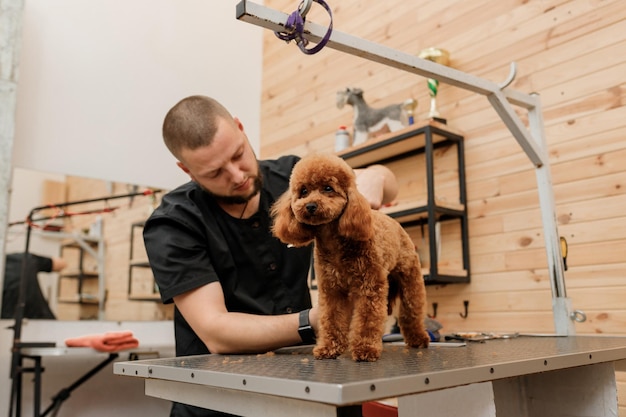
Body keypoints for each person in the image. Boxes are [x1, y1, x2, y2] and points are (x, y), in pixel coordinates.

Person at [143, 95, 399, 417]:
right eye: (214, 172)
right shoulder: (173, 224)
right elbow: (216, 331)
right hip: (221, 400)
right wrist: (320, 319)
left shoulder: (295, 179)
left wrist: (376, 176)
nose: (237, 176)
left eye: (238, 154)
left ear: (240, 128)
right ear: (187, 170)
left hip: (308, 386)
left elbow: (388, 184)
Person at [2, 252, 67, 319]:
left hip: (7, 326)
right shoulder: (24, 259)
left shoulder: (25, 259)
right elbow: (61, 264)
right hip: (46, 324)